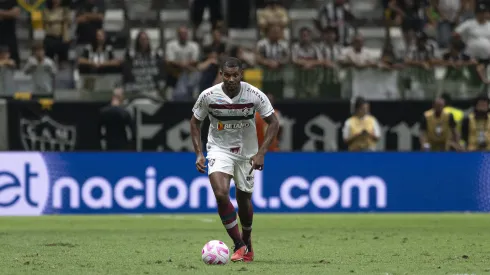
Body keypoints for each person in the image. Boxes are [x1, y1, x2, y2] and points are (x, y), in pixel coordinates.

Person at [189, 57, 279, 262]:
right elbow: (195, 123)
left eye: (235, 75)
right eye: (227, 75)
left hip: (247, 151)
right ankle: (239, 244)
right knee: (220, 194)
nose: (231, 79)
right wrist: (198, 152)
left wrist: (261, 153)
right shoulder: (209, 96)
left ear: (241, 74)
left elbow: (273, 123)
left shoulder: (254, 94)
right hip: (219, 149)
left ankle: (247, 240)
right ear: (221, 74)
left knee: (243, 198)